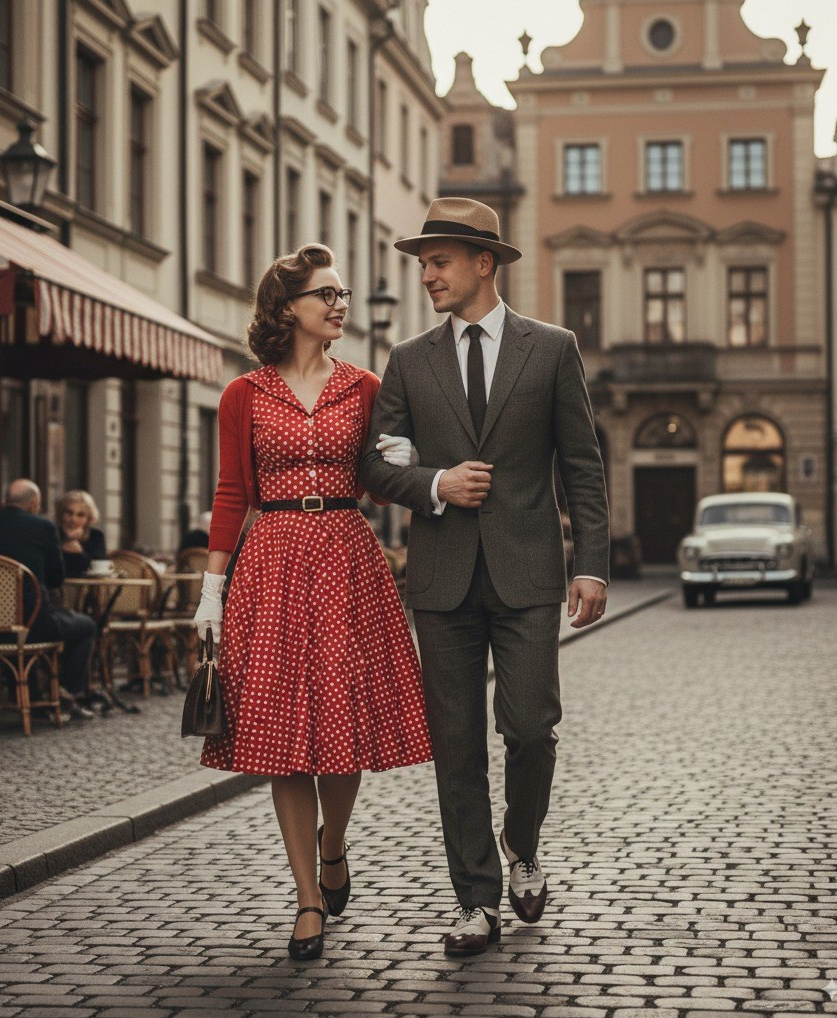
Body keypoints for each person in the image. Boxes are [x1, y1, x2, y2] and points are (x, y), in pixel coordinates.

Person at [360, 198, 610, 956]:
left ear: (483, 263)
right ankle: (477, 901)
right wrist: (436, 484)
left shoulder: (553, 348)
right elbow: (375, 464)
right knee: (457, 743)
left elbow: (583, 465)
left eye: (438, 261)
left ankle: (521, 842)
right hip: (441, 582)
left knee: (531, 729)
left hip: (529, 573)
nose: (426, 275)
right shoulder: (407, 360)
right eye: (423, 263)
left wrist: (592, 563)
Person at [193, 243, 433, 962]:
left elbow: (391, 465)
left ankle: (335, 843)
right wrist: (211, 590)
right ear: (286, 308)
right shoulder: (244, 394)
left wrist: (403, 461)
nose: (339, 305)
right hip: (269, 560)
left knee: (341, 722)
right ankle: (306, 898)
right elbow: (231, 491)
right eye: (324, 295)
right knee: (281, 735)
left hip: (345, 556)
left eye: (342, 294)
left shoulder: (364, 385)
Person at [0, 479, 97, 720]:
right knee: (86, 626)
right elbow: (56, 578)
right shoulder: (43, 527)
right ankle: (67, 693)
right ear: (34, 504)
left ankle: (33, 698)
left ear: (5, 502)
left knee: (20, 629)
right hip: (32, 625)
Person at [55, 490, 107, 577]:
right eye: (69, 513)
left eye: (80, 515)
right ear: (61, 514)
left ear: (89, 519)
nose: (73, 520)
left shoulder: (96, 535)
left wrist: (79, 553)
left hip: (88, 587)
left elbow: (98, 568)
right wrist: (65, 543)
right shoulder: (52, 532)